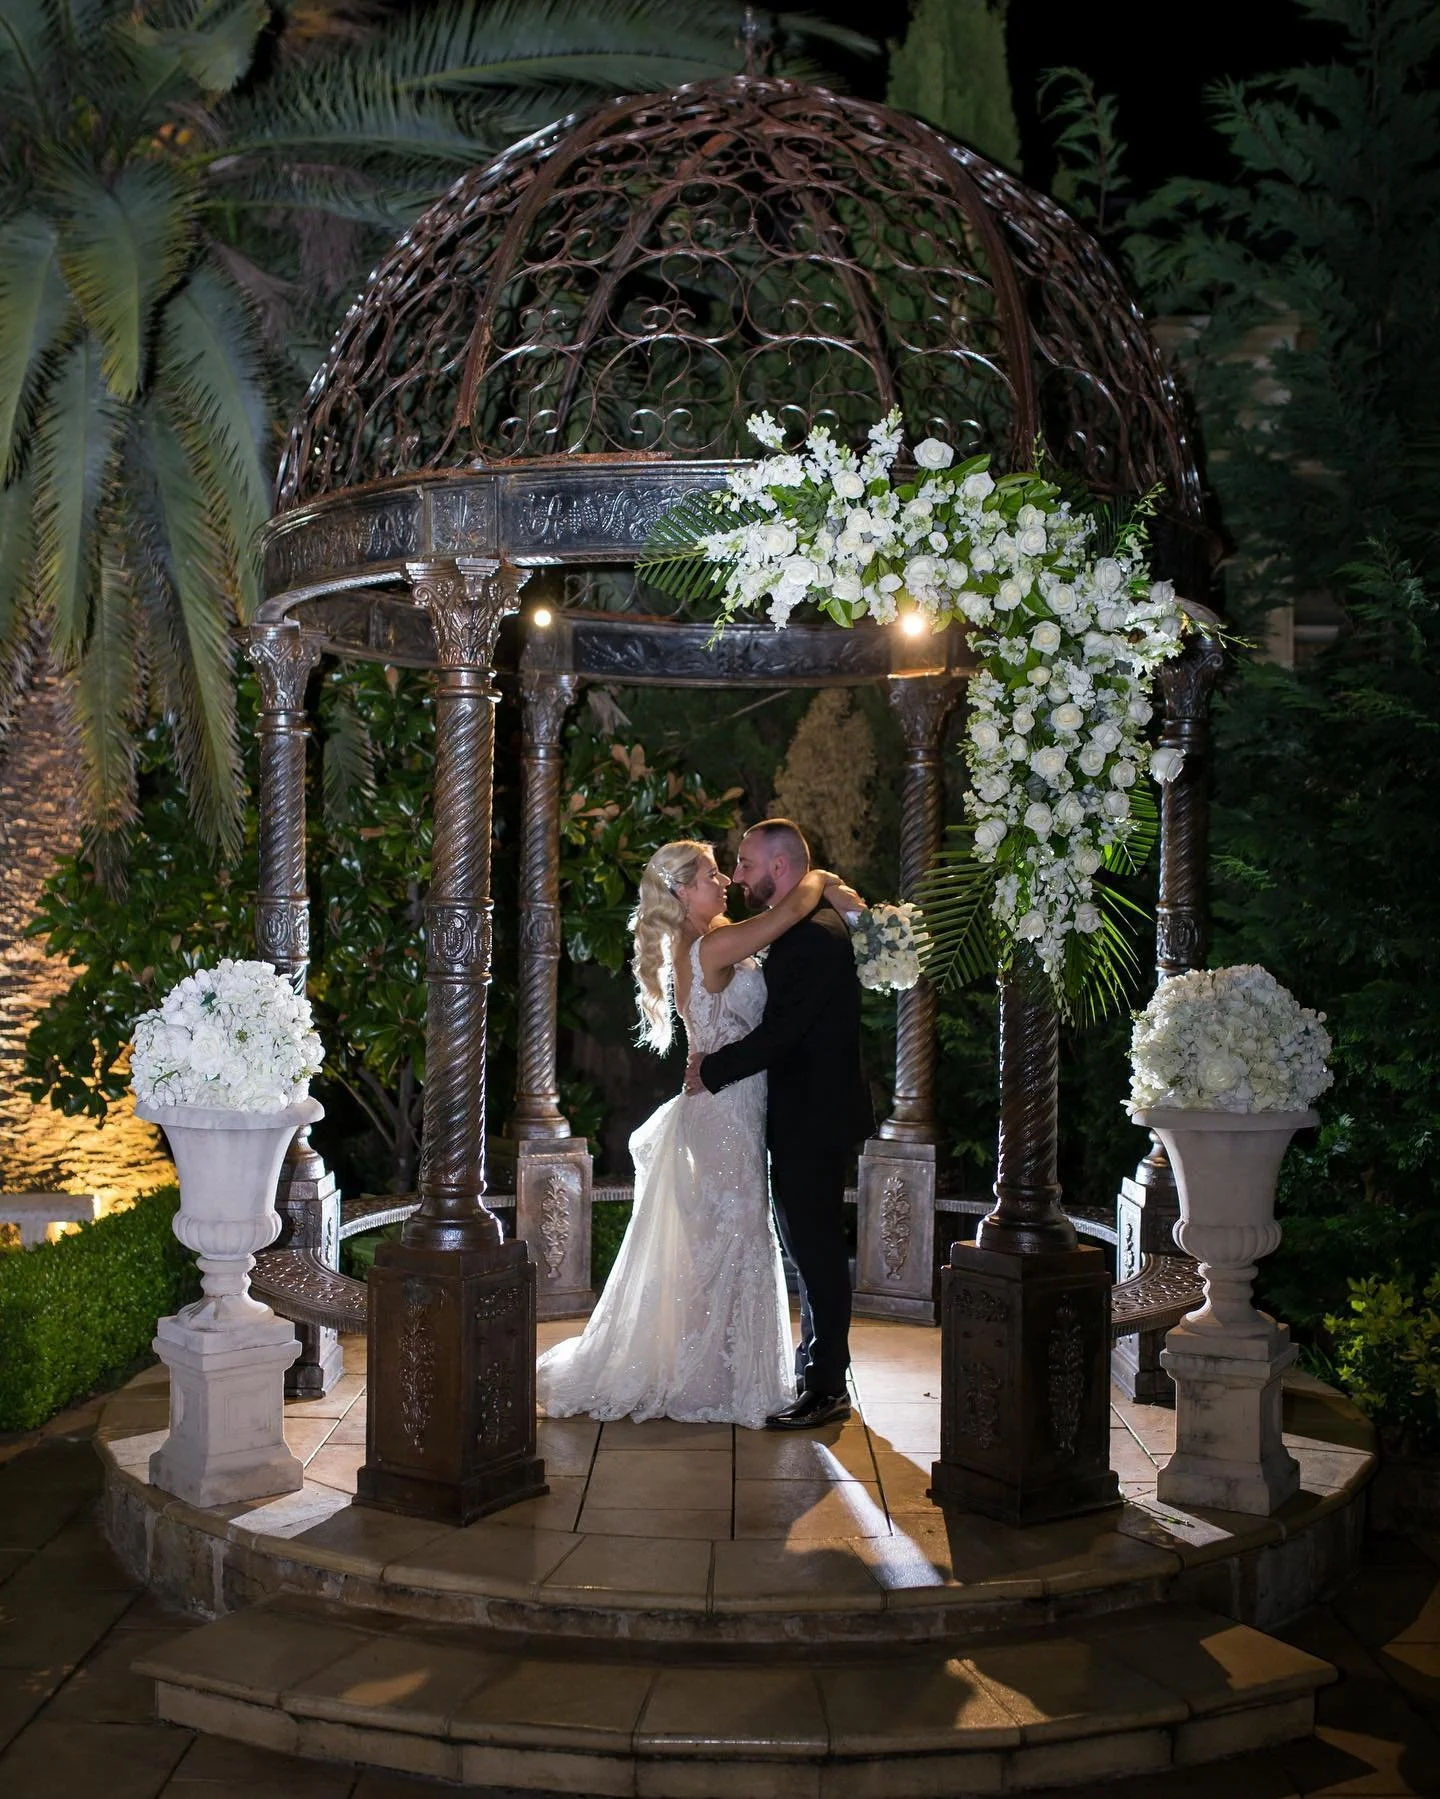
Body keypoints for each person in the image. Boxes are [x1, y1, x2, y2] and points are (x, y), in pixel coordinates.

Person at [535, 838, 860, 1428]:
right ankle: (712, 1377)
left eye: (727, 871)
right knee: (731, 1239)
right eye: (714, 875)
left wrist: (825, 891)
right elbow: (788, 912)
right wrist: (822, 879)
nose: (727, 882)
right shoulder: (711, 944)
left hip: (737, 1104)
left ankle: (725, 1368)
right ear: (683, 891)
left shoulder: (715, 935)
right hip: (725, 1111)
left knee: (726, 1241)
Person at [685, 820, 870, 1430]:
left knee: (814, 1251)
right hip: (802, 1112)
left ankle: (826, 1387)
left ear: (780, 869)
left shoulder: (812, 939)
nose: (737, 877)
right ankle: (815, 1369)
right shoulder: (799, 927)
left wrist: (714, 1069)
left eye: (744, 865)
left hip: (812, 1116)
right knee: (806, 1245)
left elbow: (781, 1035)